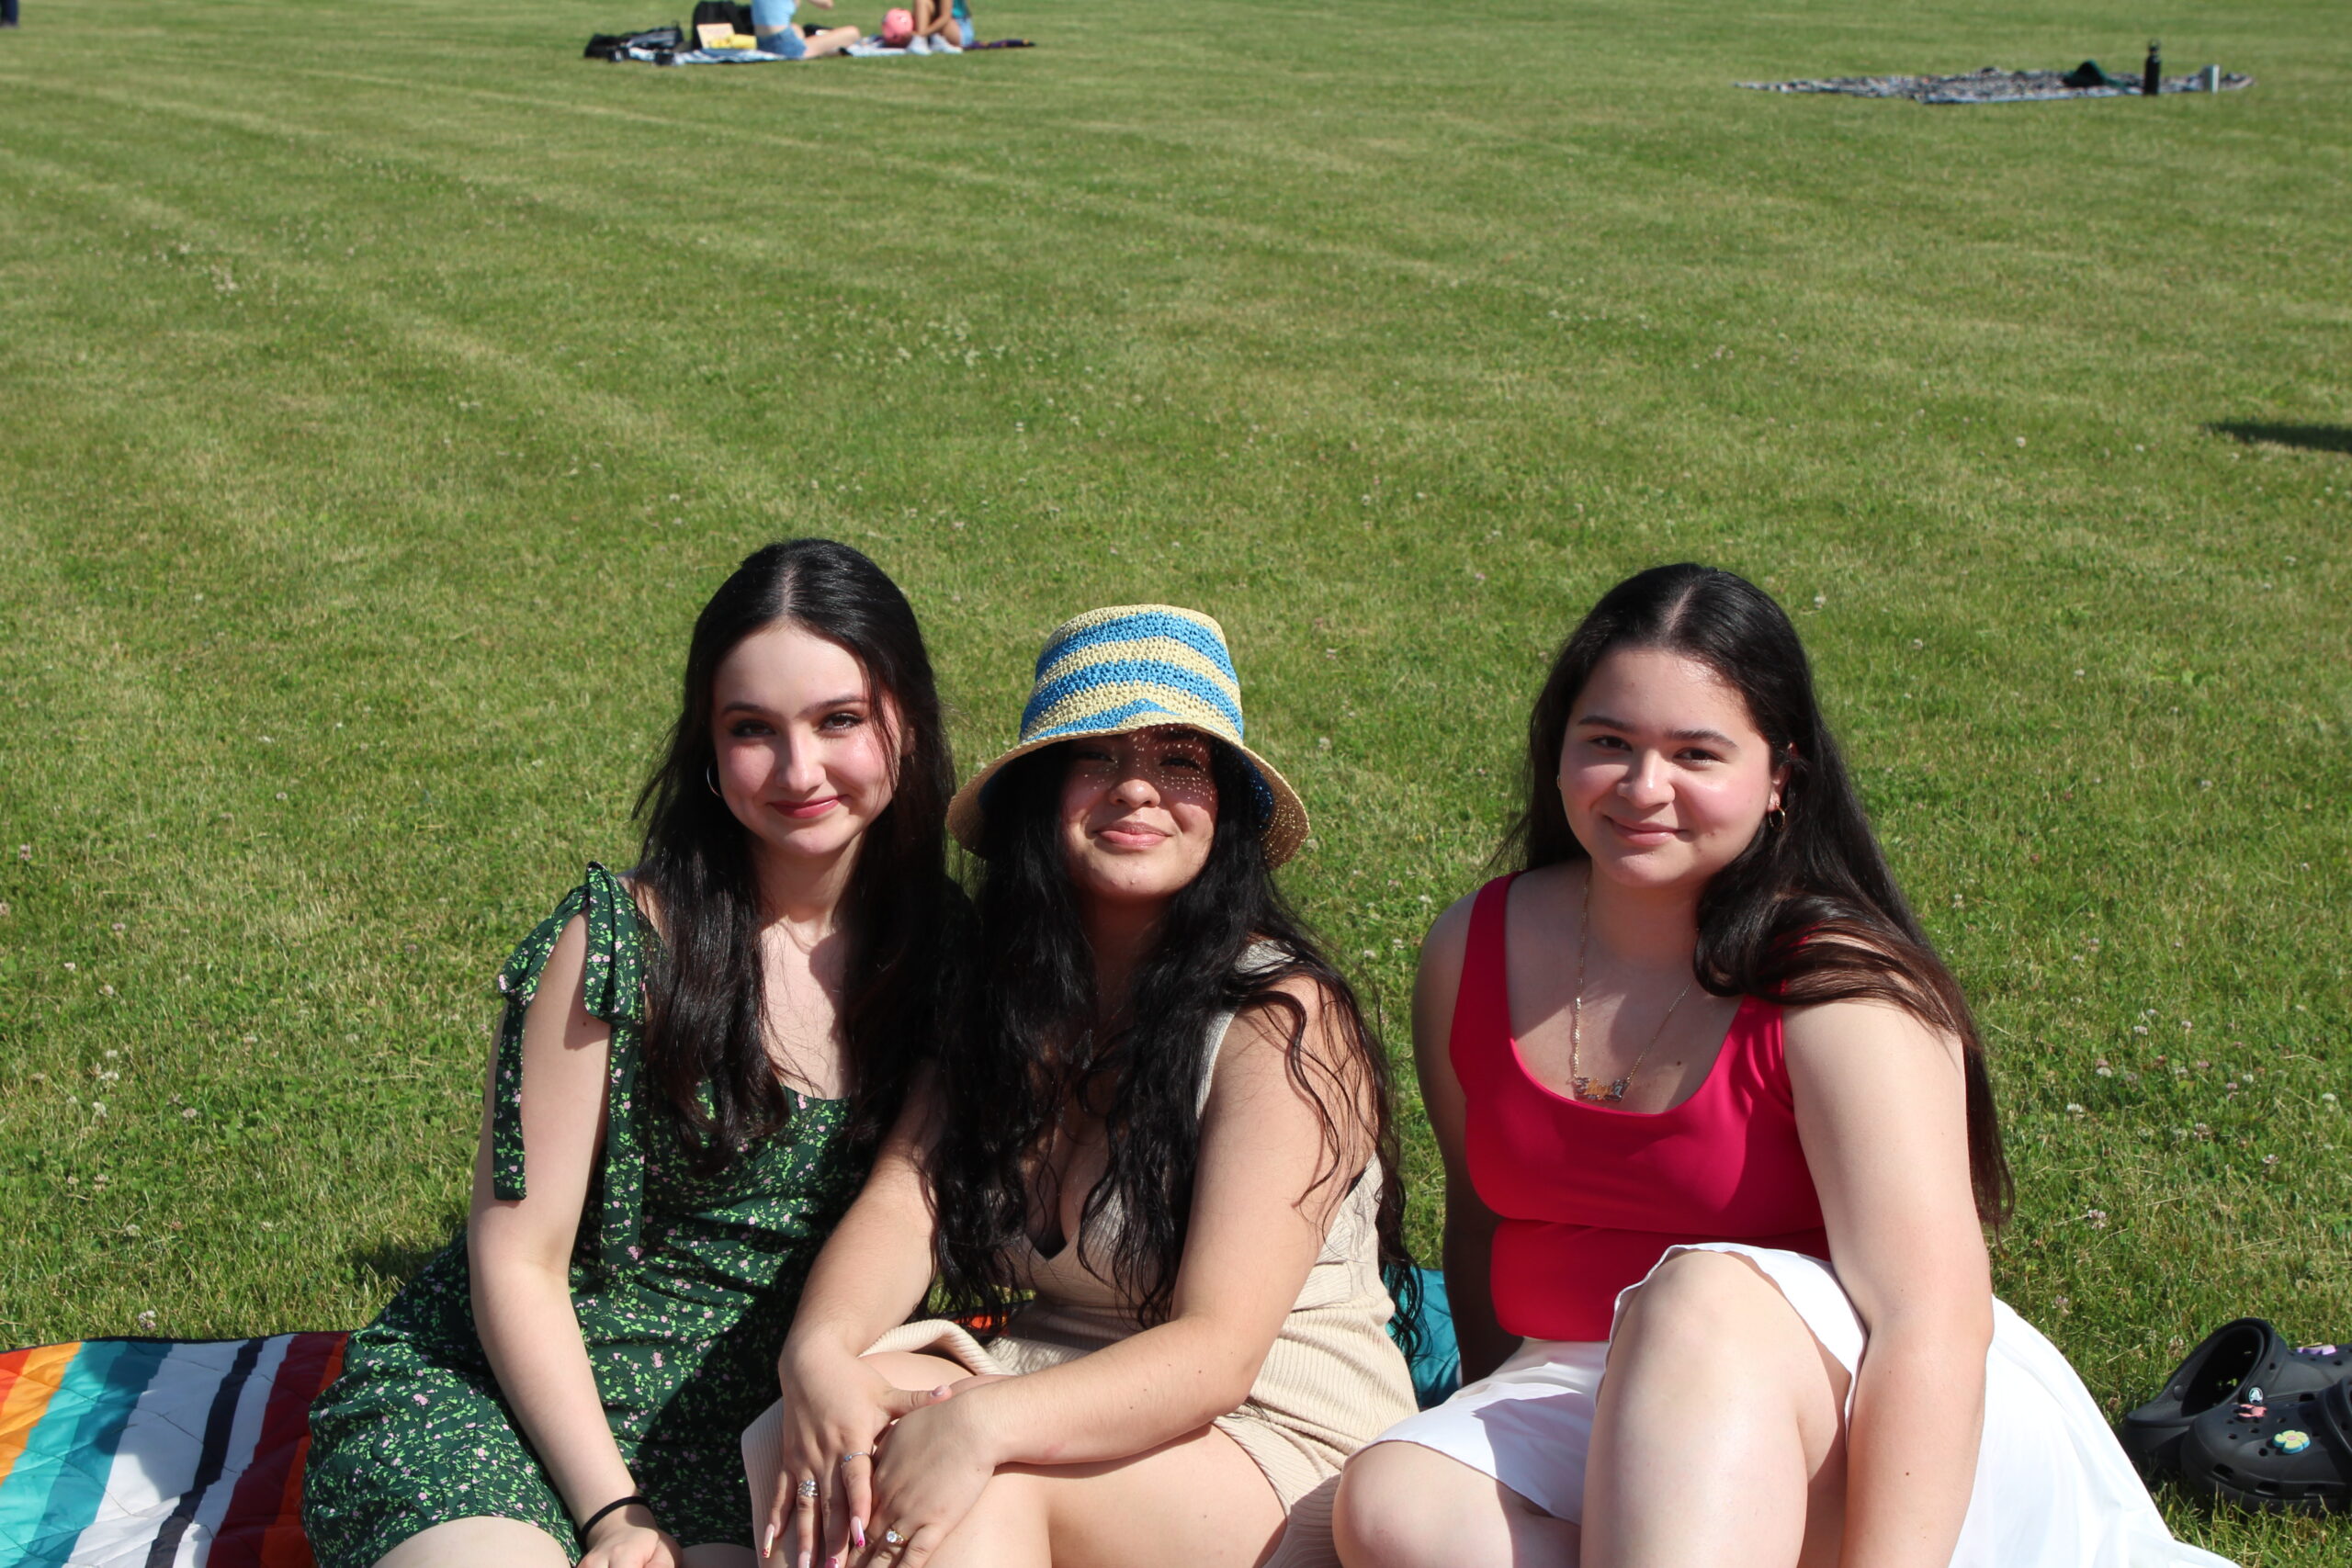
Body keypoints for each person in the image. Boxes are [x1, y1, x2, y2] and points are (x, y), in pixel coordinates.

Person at [1330, 565, 2232, 1568]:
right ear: (1557, 752)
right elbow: (1484, 1220)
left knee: (1697, 1299)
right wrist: (1485, 1408)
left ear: (1777, 780)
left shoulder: (1841, 989)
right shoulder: (1474, 945)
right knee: (1394, 1504)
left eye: (1695, 754)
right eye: (1608, 744)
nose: (1642, 788)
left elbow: (1928, 1324)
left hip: (1865, 1417)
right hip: (1579, 1386)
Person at [303, 539, 961, 1568]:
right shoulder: (617, 939)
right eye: (752, 731)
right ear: (707, 746)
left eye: (839, 721)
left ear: (907, 724)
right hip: (508, 1404)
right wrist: (611, 1512)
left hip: (755, 1430)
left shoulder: (951, 958)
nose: (798, 772)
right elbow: (516, 1261)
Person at [744, 605, 1419, 1568]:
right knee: (813, 1436)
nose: (1136, 788)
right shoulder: (1004, 992)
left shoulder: (1280, 1021)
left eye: (1179, 761)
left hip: (1272, 1434)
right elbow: (907, 1199)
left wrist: (982, 1427)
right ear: (1038, 796)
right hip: (1053, 1375)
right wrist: (817, 1355)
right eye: (1095, 757)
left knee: (983, 1497)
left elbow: (1219, 1352)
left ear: (1224, 802)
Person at [751, 0, 858, 61]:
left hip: (761, 42)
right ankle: (820, 50)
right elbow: (827, 4)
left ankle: (816, 47)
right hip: (784, 46)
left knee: (796, 28)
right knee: (853, 32)